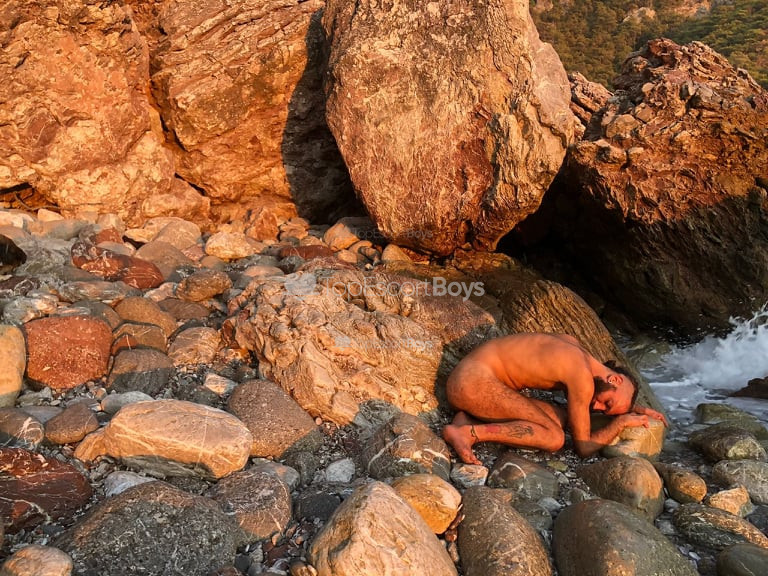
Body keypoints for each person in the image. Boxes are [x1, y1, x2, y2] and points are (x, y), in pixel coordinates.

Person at [442, 332, 668, 464]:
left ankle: (467, 417)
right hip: (473, 383)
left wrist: (632, 408)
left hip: (474, 379)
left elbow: (578, 413)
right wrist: (619, 423)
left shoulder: (572, 344)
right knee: (554, 438)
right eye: (607, 402)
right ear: (615, 379)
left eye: (604, 409)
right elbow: (584, 447)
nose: (596, 406)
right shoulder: (582, 379)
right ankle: (468, 433)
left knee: (560, 416)